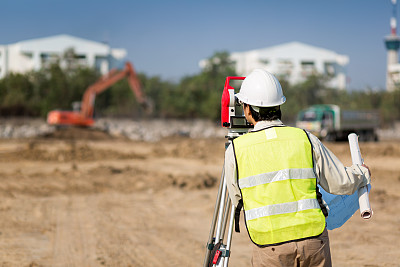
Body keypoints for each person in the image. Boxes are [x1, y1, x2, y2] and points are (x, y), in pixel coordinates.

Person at [224, 69, 371, 267]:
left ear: (247, 109)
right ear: (278, 106)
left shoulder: (236, 150)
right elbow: (341, 183)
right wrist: (361, 173)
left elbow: (237, 199)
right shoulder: (305, 139)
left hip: (269, 247)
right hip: (313, 242)